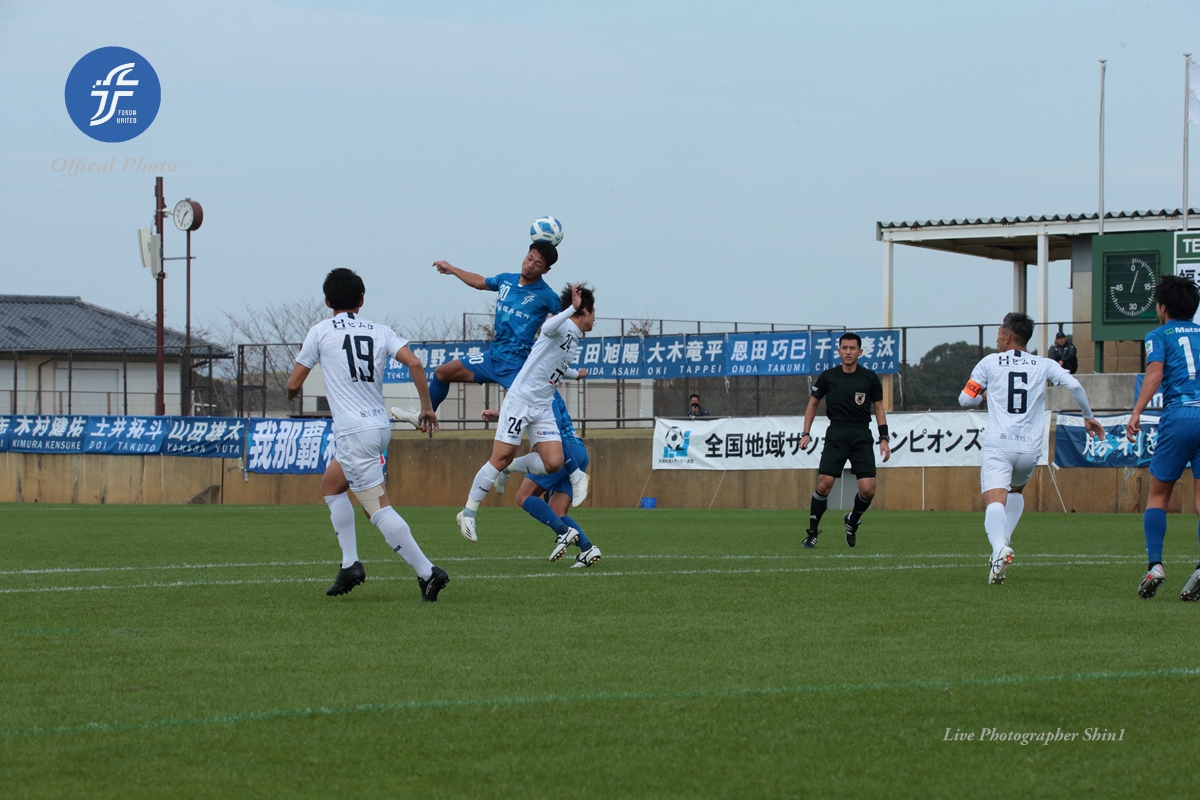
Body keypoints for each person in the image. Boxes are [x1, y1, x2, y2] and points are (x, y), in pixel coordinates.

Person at [285, 268, 449, 602]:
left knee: (376, 508)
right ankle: (350, 565)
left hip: (353, 432)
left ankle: (428, 572)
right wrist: (427, 407)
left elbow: (293, 384)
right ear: (361, 300)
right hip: (377, 427)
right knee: (332, 486)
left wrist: (290, 394)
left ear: (327, 301)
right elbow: (416, 364)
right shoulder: (379, 330)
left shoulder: (320, 331)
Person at [959, 312, 1103, 586]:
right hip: (1029, 449)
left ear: (1007, 336)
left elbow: (965, 399)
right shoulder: (1044, 363)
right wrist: (1088, 416)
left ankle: (999, 548)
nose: (997, 338)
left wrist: (984, 395)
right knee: (1015, 492)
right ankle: (1002, 543)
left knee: (994, 500)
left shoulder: (988, 363)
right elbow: (1074, 384)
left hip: (999, 445)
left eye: (999, 333)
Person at [456, 283, 596, 547]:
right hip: (520, 401)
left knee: (554, 462)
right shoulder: (562, 325)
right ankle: (469, 512)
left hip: (542, 406)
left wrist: (575, 374)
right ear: (585, 310)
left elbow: (555, 365)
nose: (594, 319)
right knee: (501, 457)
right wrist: (571, 309)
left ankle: (528, 471)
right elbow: (548, 327)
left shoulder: (573, 339)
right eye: (593, 312)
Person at [415, 242, 563, 415]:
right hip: (492, 359)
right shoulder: (506, 280)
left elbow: (565, 324)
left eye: (538, 264)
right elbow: (479, 282)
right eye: (529, 258)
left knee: (539, 410)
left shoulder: (548, 296)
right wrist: (452, 269)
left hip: (518, 366)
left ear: (546, 270)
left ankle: (561, 432)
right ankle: (424, 416)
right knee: (442, 373)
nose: (530, 265)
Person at [1126, 275, 1200, 601]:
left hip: (1180, 416)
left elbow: (1155, 374)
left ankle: (1155, 565)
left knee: (1158, 496)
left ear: (1163, 307)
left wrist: (1136, 412)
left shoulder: (1158, 335)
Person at [484, 388, 603, 567]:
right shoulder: (542, 389)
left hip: (563, 452)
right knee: (556, 510)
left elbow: (550, 422)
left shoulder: (542, 390)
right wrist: (502, 415)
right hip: (577, 450)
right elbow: (533, 415)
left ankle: (564, 532)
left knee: (523, 495)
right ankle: (587, 548)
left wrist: (542, 443)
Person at [798, 333, 890, 549]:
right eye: (845, 348)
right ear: (839, 351)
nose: (848, 352)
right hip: (837, 433)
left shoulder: (869, 377)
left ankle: (852, 519)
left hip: (861, 434)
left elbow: (879, 408)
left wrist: (884, 438)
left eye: (853, 348)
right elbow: (813, 404)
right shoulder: (828, 376)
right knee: (824, 483)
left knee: (868, 489)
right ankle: (812, 534)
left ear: (860, 351)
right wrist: (806, 433)